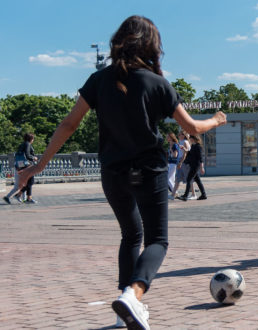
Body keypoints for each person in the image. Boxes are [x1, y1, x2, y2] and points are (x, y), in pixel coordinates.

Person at [16, 15, 227, 329]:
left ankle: (122, 311)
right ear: (153, 46)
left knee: (130, 235)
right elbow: (192, 127)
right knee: (157, 240)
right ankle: (133, 294)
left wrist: (39, 165)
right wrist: (218, 120)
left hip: (112, 171)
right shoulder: (157, 83)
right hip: (149, 168)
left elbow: (68, 124)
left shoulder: (99, 79)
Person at [4, 133, 38, 204]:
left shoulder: (22, 145)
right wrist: (34, 158)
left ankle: (27, 198)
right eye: (33, 138)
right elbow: (28, 155)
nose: (33, 140)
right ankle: (20, 196)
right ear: (31, 139)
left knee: (27, 182)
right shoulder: (28, 144)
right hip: (27, 166)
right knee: (30, 181)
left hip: (20, 166)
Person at [176, 135, 207, 201]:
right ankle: (203, 195)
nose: (190, 140)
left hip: (196, 165)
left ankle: (185, 196)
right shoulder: (193, 146)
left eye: (191, 139)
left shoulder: (198, 147)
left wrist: (202, 167)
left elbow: (200, 158)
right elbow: (189, 153)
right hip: (192, 165)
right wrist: (184, 148)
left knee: (189, 179)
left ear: (194, 138)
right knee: (198, 180)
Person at [171, 131, 192, 200]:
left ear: (184, 135)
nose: (180, 135)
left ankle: (193, 194)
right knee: (178, 178)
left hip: (184, 161)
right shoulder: (180, 142)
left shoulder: (185, 142)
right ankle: (173, 194)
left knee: (188, 178)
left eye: (182, 134)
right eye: (179, 134)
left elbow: (185, 154)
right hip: (180, 160)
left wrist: (180, 162)